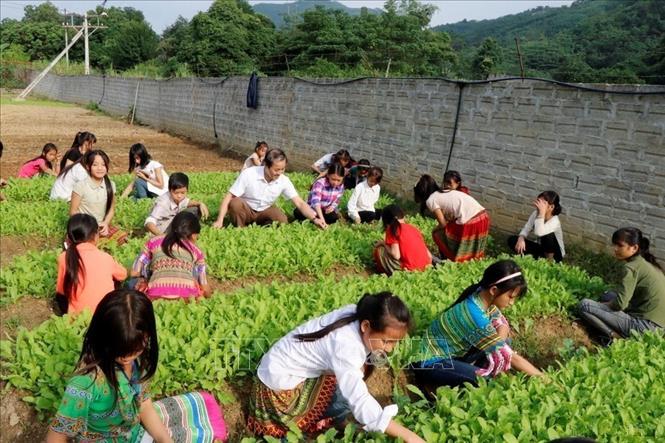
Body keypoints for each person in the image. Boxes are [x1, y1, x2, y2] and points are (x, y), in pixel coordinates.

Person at [46, 289, 227, 443]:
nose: (127, 357)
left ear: (147, 336)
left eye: (134, 349)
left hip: (134, 435)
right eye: (120, 350)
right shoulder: (85, 383)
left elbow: (144, 405)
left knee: (196, 408)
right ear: (103, 338)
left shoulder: (138, 361)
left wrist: (165, 440)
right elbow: (58, 435)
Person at [247, 292, 425, 442]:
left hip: (280, 367)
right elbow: (360, 400)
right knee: (343, 395)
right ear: (366, 326)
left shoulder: (357, 314)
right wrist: (410, 437)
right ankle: (295, 432)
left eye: (395, 343)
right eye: (386, 341)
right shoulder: (345, 346)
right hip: (277, 388)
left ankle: (338, 421)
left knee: (343, 386)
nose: (390, 348)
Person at [410, 260, 543, 391]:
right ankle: (436, 387)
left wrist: (499, 346)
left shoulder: (480, 294)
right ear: (494, 290)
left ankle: (469, 371)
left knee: (504, 345)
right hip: (432, 363)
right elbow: (512, 358)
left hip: (453, 354)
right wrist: (544, 379)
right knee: (486, 380)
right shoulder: (473, 315)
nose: (512, 303)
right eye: (510, 297)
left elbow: (502, 324)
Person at [578, 227, 664, 342]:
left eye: (620, 246)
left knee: (585, 305)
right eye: (615, 245)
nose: (615, 249)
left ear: (634, 248)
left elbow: (620, 304)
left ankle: (615, 337)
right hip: (659, 326)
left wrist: (604, 305)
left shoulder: (631, 268)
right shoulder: (646, 264)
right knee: (607, 295)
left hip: (646, 328)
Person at [212, 148, 327, 229]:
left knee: (282, 220)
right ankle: (240, 228)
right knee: (235, 202)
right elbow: (229, 196)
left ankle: (259, 225)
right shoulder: (249, 174)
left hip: (264, 210)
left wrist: (315, 219)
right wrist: (220, 220)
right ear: (266, 165)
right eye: (277, 169)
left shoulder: (283, 180)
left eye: (283, 169)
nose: (280, 173)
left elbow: (300, 203)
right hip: (246, 208)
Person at [55, 214, 127, 315]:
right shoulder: (105, 257)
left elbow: (61, 291)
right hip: (106, 315)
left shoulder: (64, 257)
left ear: (69, 237)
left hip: (76, 318)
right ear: (96, 235)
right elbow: (123, 275)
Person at [131, 212, 211, 300]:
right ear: (193, 234)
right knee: (194, 271)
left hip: (155, 297)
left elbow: (135, 272)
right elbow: (204, 286)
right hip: (186, 299)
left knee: (132, 282)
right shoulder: (197, 251)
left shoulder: (153, 242)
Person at [414, 174, 490, 262]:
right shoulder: (445, 191)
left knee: (437, 233)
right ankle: (469, 262)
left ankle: (448, 259)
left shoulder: (431, 200)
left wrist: (435, 229)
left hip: (471, 221)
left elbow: (443, 224)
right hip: (483, 216)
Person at [70, 150, 126, 244]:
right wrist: (87, 226)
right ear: (88, 167)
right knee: (84, 246)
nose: (100, 168)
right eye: (95, 165)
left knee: (123, 239)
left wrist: (106, 223)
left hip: (101, 226)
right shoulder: (80, 186)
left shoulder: (111, 185)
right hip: (85, 227)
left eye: (103, 165)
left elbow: (111, 210)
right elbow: (73, 212)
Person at [373, 204, 432, 276]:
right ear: (403, 216)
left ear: (386, 221)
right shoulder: (413, 228)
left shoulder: (392, 229)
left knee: (380, 250)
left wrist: (383, 244)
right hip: (426, 268)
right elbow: (429, 256)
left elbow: (396, 255)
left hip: (410, 270)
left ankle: (386, 273)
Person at [508, 191, 565, 262]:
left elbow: (539, 232)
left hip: (555, 255)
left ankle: (549, 262)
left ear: (551, 207)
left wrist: (541, 214)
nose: (539, 206)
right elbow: (527, 228)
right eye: (538, 202)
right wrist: (521, 238)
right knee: (512, 240)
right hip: (541, 249)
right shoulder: (535, 213)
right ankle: (538, 259)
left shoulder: (555, 221)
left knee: (547, 235)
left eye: (543, 203)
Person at [144, 172, 209, 236]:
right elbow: (149, 222)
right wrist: (160, 235)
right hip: (162, 229)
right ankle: (182, 233)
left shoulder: (179, 198)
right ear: (169, 190)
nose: (179, 196)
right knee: (187, 217)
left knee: (195, 209)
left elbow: (187, 202)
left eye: (183, 193)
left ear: (187, 190)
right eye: (176, 193)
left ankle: (190, 230)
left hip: (172, 223)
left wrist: (200, 203)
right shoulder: (163, 203)